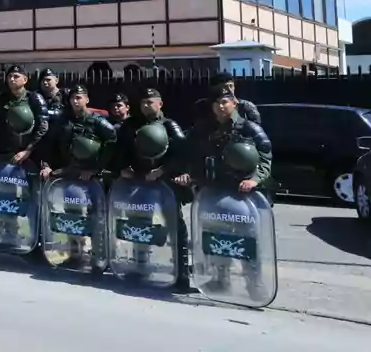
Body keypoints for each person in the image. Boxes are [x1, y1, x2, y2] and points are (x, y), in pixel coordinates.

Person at [174, 85, 273, 292]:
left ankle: (254, 283)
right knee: (215, 237)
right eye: (216, 103)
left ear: (234, 103)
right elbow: (189, 155)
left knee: (247, 238)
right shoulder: (202, 130)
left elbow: (265, 157)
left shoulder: (249, 128)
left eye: (224, 102)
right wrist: (188, 175)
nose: (220, 106)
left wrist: (255, 179)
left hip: (242, 193)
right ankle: (220, 279)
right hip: (213, 191)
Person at [113, 87, 190, 291]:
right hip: (139, 183)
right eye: (143, 102)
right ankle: (139, 266)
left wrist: (162, 171)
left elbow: (182, 153)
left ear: (160, 104)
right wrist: (123, 169)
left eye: (150, 102)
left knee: (175, 226)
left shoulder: (169, 125)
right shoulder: (131, 126)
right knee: (139, 224)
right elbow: (119, 149)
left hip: (165, 184)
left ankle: (181, 272)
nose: (146, 106)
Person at [40, 84, 115, 266]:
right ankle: (75, 254)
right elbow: (51, 144)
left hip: (92, 177)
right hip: (70, 173)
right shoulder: (64, 121)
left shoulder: (97, 121)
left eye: (79, 97)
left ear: (87, 100)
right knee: (71, 215)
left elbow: (113, 140)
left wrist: (97, 168)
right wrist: (48, 165)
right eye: (73, 97)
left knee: (96, 217)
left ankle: (98, 258)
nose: (76, 101)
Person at [0, 65, 47, 246]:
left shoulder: (35, 99)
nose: (12, 79)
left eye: (16, 76)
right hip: (5, 156)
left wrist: (28, 150)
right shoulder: (0, 100)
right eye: (10, 76)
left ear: (25, 80)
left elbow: (43, 127)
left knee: (34, 198)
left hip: (30, 158)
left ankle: (36, 238)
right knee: (5, 198)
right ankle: (8, 235)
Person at [195, 72, 261, 124]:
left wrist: (233, 108)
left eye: (231, 86)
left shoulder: (246, 106)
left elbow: (255, 128)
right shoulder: (203, 106)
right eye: (225, 87)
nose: (229, 90)